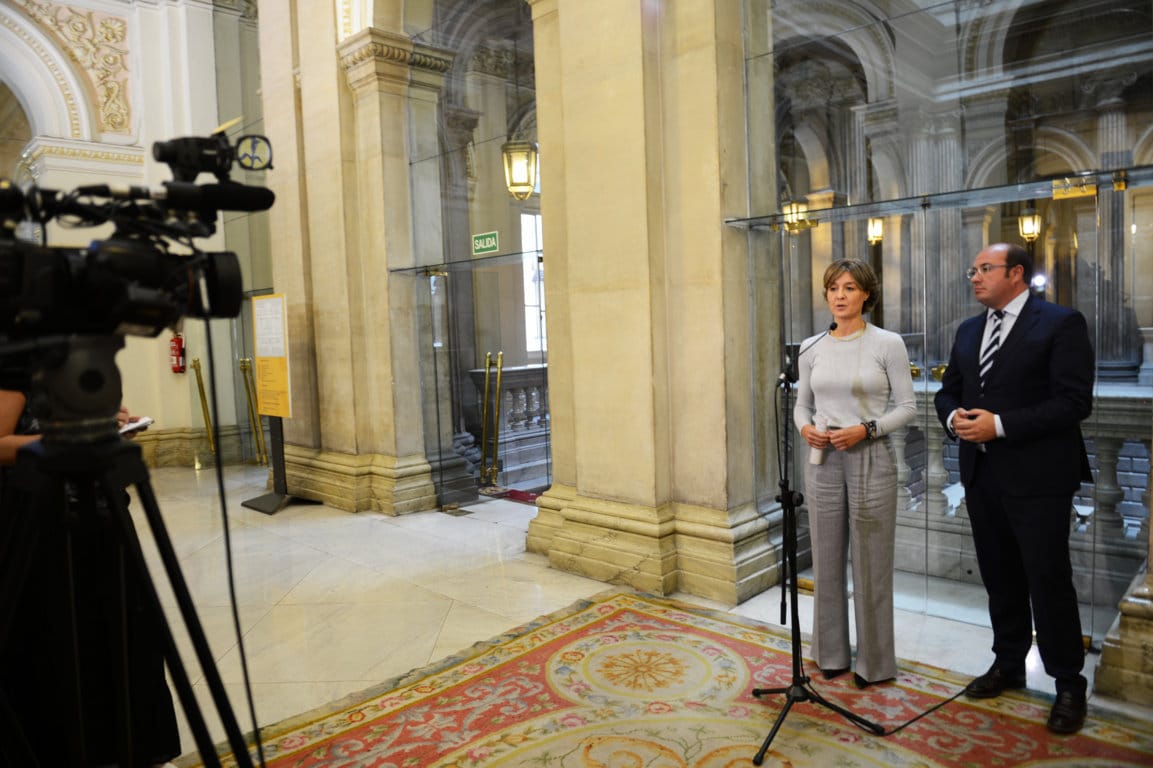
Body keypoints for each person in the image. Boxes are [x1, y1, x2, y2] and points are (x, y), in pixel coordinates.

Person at [934, 242, 1093, 735]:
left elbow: (1073, 403)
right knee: (999, 577)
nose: (974, 277)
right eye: (972, 269)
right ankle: (1007, 663)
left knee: (1048, 580)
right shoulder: (967, 330)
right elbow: (947, 390)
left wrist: (1000, 425)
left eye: (985, 269)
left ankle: (1068, 683)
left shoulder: (1061, 323)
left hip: (1039, 478)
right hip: (982, 478)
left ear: (1017, 274)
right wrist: (952, 416)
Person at [0, 389, 181, 766]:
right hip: (44, 524)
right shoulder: (15, 354)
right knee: (66, 640)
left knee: (122, 631)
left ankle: (126, 747)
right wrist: (72, 441)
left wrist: (106, 428)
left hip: (100, 511)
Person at [794, 258, 916, 689]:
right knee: (825, 560)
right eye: (832, 288)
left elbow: (907, 408)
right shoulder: (811, 346)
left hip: (871, 457)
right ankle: (829, 653)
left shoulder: (888, 343)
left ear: (866, 294)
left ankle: (876, 663)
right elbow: (801, 404)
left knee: (871, 564)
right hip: (823, 460)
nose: (839, 296)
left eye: (848, 288)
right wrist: (805, 428)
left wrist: (865, 429)